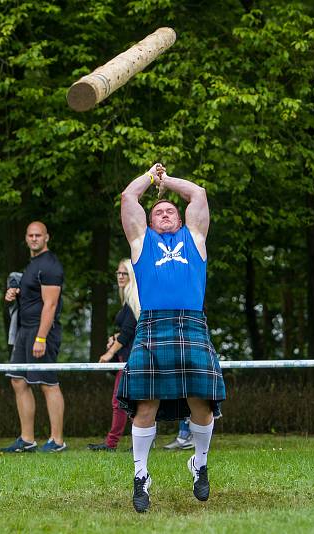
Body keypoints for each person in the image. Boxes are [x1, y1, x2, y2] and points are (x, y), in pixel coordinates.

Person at [117, 163, 226, 512]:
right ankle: (141, 476)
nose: (164, 214)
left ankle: (200, 464)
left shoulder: (194, 239)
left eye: (169, 211)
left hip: (191, 323)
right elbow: (128, 196)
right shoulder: (140, 242)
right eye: (158, 212)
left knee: (201, 402)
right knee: (145, 404)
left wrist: (167, 181)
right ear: (149, 222)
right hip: (152, 325)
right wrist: (150, 177)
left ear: (180, 220)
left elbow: (199, 194)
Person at [1, 221, 67, 453]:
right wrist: (15, 292)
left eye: (38, 235)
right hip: (24, 330)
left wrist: (41, 338)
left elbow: (50, 305)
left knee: (48, 383)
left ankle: (57, 441)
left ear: (46, 237)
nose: (34, 239)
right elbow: (31, 295)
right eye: (30, 235)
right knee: (18, 380)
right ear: (26, 238)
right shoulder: (33, 265)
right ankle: (27, 439)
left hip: (42, 332)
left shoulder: (50, 265)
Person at [87, 259, 140, 452]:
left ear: (132, 276)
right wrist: (115, 337)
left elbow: (128, 333)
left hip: (131, 359)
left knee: (122, 401)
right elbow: (129, 330)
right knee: (126, 401)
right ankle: (119, 443)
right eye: (118, 273)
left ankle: (115, 443)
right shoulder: (128, 300)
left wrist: (109, 353)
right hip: (128, 358)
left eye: (124, 273)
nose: (119, 276)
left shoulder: (134, 299)